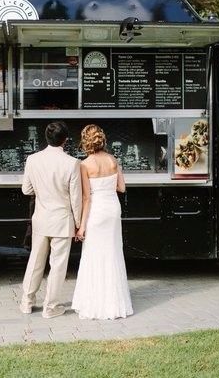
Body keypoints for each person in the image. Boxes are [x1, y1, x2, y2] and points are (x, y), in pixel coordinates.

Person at [20, 121, 82, 318]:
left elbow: (26, 190)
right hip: (62, 221)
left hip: (41, 219)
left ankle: (26, 302)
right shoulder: (72, 163)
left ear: (46, 138)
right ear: (65, 140)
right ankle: (51, 307)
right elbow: (76, 198)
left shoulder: (32, 159)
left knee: (35, 262)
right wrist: (79, 224)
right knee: (57, 266)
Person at [72, 124, 133, 320]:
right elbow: (122, 188)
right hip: (113, 209)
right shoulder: (113, 160)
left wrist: (81, 227)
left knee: (94, 255)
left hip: (97, 211)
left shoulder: (84, 165)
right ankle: (115, 303)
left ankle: (96, 303)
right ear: (102, 140)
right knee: (113, 253)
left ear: (85, 142)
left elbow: (87, 198)